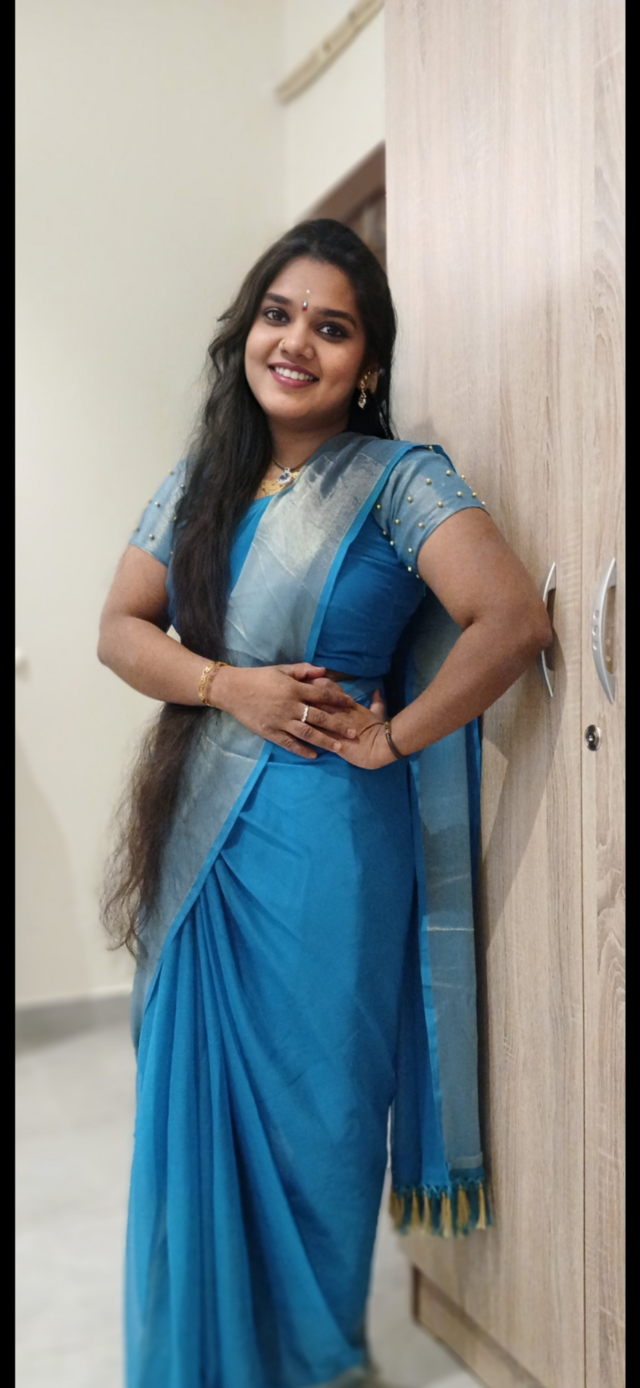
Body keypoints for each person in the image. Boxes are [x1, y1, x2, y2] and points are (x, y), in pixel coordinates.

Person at [98, 219, 551, 1388]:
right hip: (200, 841)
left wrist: (394, 735)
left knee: (323, 1113)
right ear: (246, 330)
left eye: (331, 326)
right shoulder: (198, 482)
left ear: (367, 363)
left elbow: (510, 617)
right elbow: (119, 629)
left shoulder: (402, 481)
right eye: (278, 313)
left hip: (329, 847)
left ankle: (315, 1359)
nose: (295, 341)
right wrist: (226, 685)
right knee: (193, 1108)